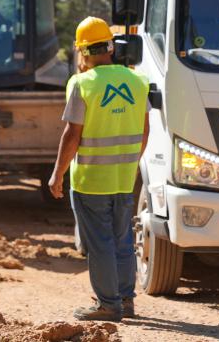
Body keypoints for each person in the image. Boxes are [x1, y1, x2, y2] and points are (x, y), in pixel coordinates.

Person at [48, 16, 150, 322]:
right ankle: (126, 300)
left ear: (83, 52)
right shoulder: (137, 81)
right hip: (123, 178)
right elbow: (145, 132)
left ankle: (108, 305)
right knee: (122, 240)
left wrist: (58, 173)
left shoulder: (82, 84)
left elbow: (71, 135)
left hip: (91, 180)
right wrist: (129, 162)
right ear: (110, 46)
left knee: (100, 243)